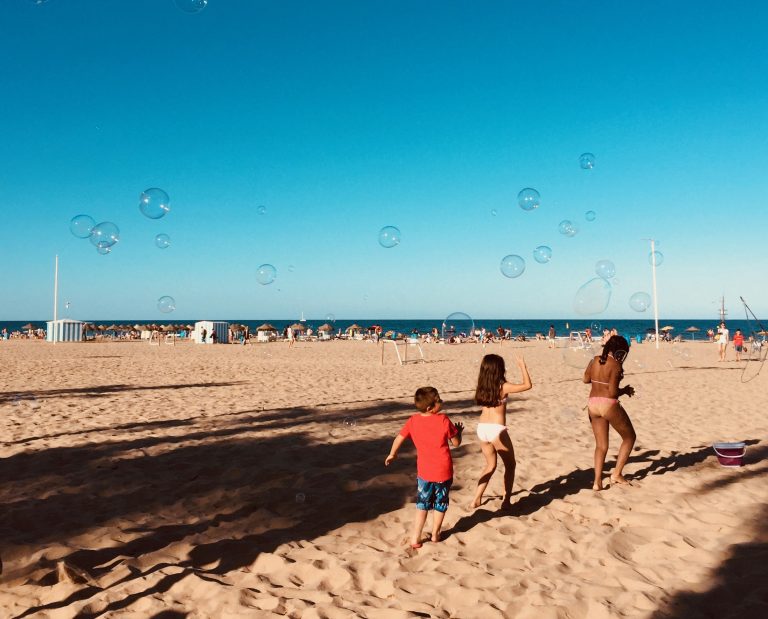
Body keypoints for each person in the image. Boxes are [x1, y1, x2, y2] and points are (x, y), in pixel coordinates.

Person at [385, 387, 463, 548]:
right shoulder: (443, 420)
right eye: (438, 400)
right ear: (430, 408)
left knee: (422, 505)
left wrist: (393, 453)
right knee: (441, 504)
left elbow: (400, 437)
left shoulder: (413, 420)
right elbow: (456, 443)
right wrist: (459, 432)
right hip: (443, 472)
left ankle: (415, 538)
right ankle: (435, 534)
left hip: (424, 473)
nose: (441, 402)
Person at [472, 354, 532, 509]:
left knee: (490, 466)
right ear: (499, 369)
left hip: (482, 428)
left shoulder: (482, 386)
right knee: (510, 466)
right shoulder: (503, 386)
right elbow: (527, 385)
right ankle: (506, 501)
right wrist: (522, 366)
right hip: (496, 430)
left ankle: (476, 499)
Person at [583, 335, 636, 490]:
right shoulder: (616, 365)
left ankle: (597, 482)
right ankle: (617, 474)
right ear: (619, 351)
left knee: (601, 446)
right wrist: (624, 390)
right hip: (608, 405)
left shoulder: (594, 360)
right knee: (629, 437)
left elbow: (586, 380)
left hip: (592, 404)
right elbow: (612, 392)